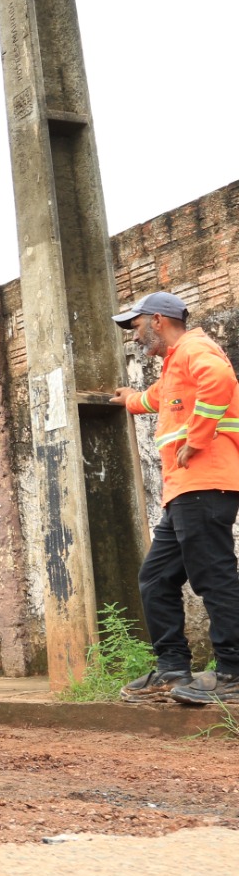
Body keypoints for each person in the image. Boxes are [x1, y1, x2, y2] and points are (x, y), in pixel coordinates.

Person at [112, 291, 239, 705]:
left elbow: (220, 382)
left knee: (213, 577)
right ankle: (171, 668)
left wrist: (198, 438)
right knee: (156, 579)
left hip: (205, 484)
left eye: (135, 326)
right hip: (185, 492)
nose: (133, 336)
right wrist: (128, 400)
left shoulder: (194, 348)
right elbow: (157, 401)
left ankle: (233, 674)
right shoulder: (174, 366)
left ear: (158, 320)